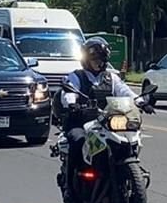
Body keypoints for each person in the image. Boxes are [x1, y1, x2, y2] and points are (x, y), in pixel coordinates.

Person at [60, 37, 153, 178]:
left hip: (106, 120)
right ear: (86, 60)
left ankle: (128, 171)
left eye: (101, 59)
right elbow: (69, 92)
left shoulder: (111, 77)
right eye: (94, 59)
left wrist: (141, 102)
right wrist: (72, 104)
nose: (98, 63)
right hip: (81, 120)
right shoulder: (76, 76)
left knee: (126, 139)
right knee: (77, 140)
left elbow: (125, 91)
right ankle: (73, 179)